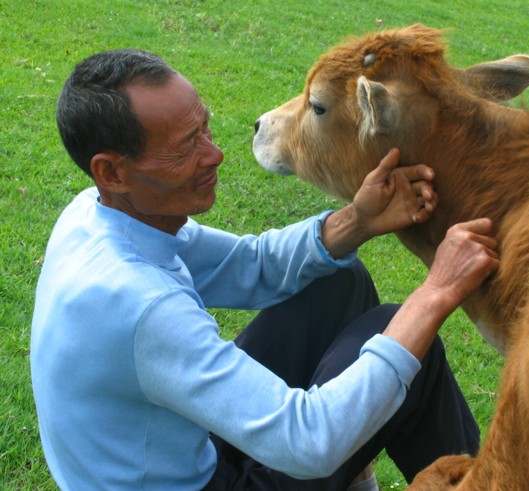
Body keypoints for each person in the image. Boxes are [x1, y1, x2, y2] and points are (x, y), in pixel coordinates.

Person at [30, 49, 500, 491]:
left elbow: (246, 265)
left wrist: (357, 220)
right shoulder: (141, 305)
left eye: (205, 129)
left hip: (177, 447)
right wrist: (435, 292)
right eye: (186, 146)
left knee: (337, 282)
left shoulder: (94, 213)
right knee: (406, 340)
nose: (214, 155)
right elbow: (309, 442)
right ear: (112, 172)